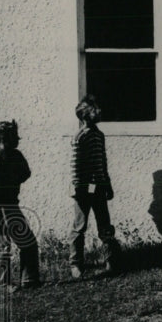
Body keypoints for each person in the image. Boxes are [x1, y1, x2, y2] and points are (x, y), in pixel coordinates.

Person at [0, 120, 41, 291]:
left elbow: (26, 173)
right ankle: (4, 283)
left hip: (11, 206)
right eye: (14, 136)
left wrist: (15, 176)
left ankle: (29, 279)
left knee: (28, 242)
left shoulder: (16, 156)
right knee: (3, 246)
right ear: (4, 139)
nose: (18, 139)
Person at [69, 95, 121, 278]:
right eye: (92, 113)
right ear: (84, 117)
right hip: (82, 189)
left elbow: (103, 162)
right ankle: (75, 263)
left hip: (98, 187)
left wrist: (107, 184)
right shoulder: (79, 138)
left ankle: (111, 260)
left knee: (105, 225)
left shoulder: (99, 136)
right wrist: (77, 187)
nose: (96, 115)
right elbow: (75, 166)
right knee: (80, 227)